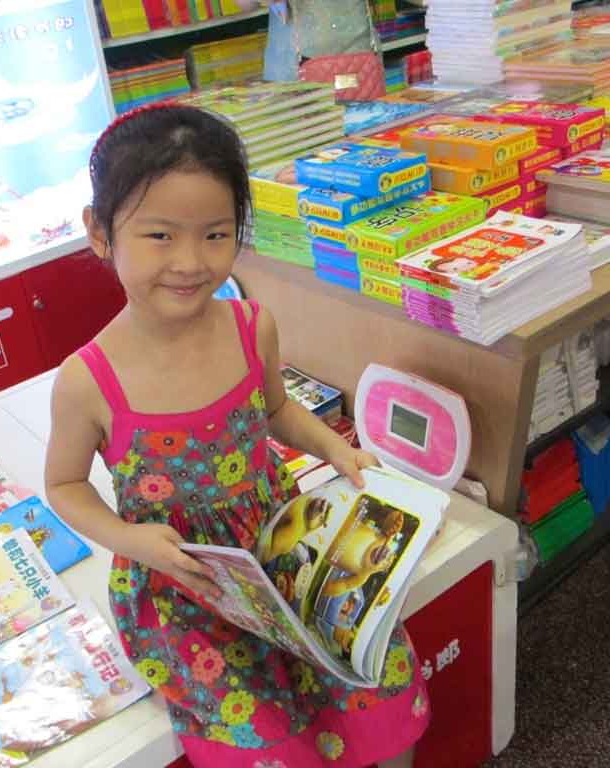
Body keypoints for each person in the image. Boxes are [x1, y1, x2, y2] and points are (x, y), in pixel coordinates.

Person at [44, 103, 429, 768]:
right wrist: (131, 539)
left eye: (216, 234)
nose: (191, 262)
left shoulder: (253, 326)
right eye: (160, 236)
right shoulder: (88, 379)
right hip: (183, 583)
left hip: (279, 546)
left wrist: (336, 446)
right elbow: (65, 484)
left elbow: (276, 411)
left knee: (374, 677)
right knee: (265, 734)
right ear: (100, 233)